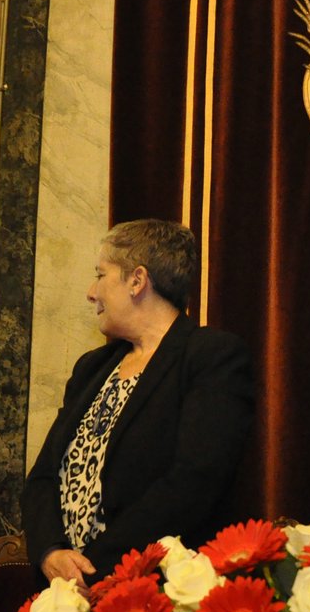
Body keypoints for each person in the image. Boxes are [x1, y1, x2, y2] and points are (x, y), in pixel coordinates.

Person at [22, 219, 253, 585]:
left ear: (137, 280)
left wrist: (92, 568)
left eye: (100, 274)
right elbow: (43, 477)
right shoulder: (92, 368)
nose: (90, 291)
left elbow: (193, 482)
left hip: (149, 591)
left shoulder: (211, 356)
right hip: (60, 589)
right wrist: (51, 552)